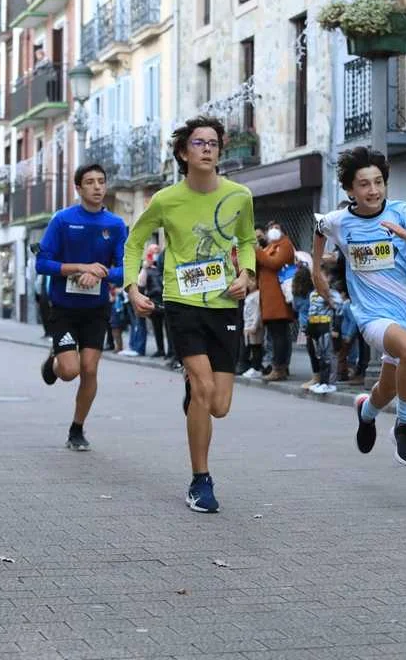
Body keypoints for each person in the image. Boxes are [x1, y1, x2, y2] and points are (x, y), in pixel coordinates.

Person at [124, 115, 256, 513]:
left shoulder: (240, 196)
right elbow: (134, 243)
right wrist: (132, 288)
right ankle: (201, 481)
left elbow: (246, 240)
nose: (207, 149)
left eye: (213, 143)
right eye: (199, 143)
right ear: (183, 152)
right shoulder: (166, 200)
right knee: (204, 389)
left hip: (224, 305)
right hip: (181, 302)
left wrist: (246, 274)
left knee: (219, 406)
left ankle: (194, 391)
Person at [313, 146, 406, 467]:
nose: (373, 190)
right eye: (364, 184)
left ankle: (367, 411)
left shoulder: (402, 212)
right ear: (350, 190)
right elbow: (319, 230)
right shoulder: (339, 221)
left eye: (378, 182)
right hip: (371, 315)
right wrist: (317, 273)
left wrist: (405, 234)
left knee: (387, 389)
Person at [36, 163, 128, 451]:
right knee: (69, 371)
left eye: (101, 181)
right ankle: (54, 361)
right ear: (78, 188)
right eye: (90, 182)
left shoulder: (116, 225)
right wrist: (78, 268)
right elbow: (42, 263)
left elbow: (125, 270)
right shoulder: (62, 220)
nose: (97, 187)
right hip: (63, 307)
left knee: (89, 369)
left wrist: (100, 273)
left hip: (96, 309)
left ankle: (77, 428)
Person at [256, 221, 296, 381]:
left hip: (278, 298)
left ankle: (279, 368)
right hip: (269, 298)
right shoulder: (269, 247)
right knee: (275, 334)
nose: (273, 230)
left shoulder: (285, 245)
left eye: (277, 227)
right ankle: (279, 367)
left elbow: (275, 263)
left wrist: (257, 251)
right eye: (271, 228)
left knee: (280, 334)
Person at [305, 279, 341, 395]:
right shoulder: (312, 294)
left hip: (327, 325)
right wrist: (308, 329)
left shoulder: (332, 293)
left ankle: (330, 383)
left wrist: (336, 328)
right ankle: (322, 381)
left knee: (328, 355)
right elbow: (311, 311)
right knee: (319, 355)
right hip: (315, 327)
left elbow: (338, 310)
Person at [143, 246, 167, 357]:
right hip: (154, 301)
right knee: (157, 328)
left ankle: (172, 352)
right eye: (153, 251)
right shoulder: (147, 269)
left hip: (165, 299)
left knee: (169, 328)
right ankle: (160, 349)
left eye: (157, 250)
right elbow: (141, 283)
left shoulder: (163, 266)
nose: (156, 253)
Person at [241, 280, 265, 379]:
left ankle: (256, 368)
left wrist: (254, 325)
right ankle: (254, 367)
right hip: (248, 324)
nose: (250, 283)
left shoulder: (257, 294)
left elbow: (257, 311)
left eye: (253, 281)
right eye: (248, 281)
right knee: (252, 346)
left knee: (256, 346)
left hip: (254, 325)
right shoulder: (249, 295)